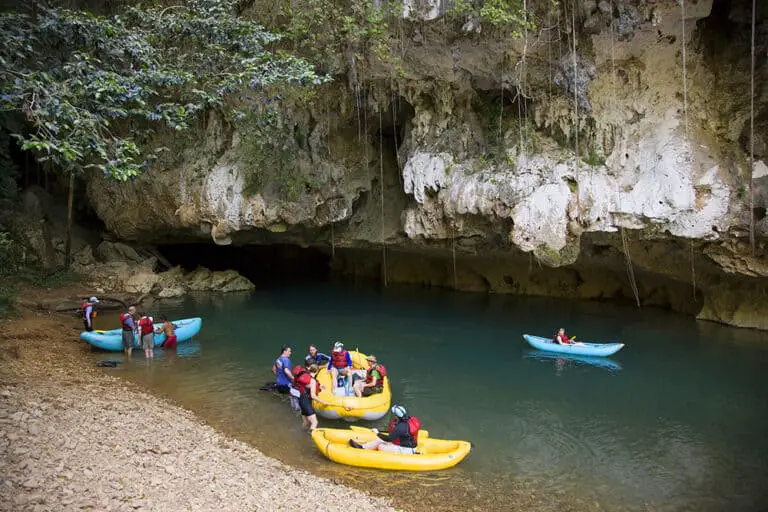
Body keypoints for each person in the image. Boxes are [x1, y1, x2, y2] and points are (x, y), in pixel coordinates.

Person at [348, 405, 421, 454]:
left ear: (397, 416)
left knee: (380, 446)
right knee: (379, 441)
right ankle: (362, 447)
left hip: (406, 449)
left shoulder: (400, 427)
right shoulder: (411, 420)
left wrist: (377, 433)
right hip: (407, 444)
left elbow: (389, 439)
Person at [293, 364, 328, 432]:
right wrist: (323, 402)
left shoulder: (306, 376)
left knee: (306, 423)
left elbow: (306, 387)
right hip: (306, 402)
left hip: (301, 400)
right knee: (314, 422)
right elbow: (313, 396)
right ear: (317, 371)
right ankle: (310, 437)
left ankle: (300, 433)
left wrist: (319, 386)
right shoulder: (312, 381)